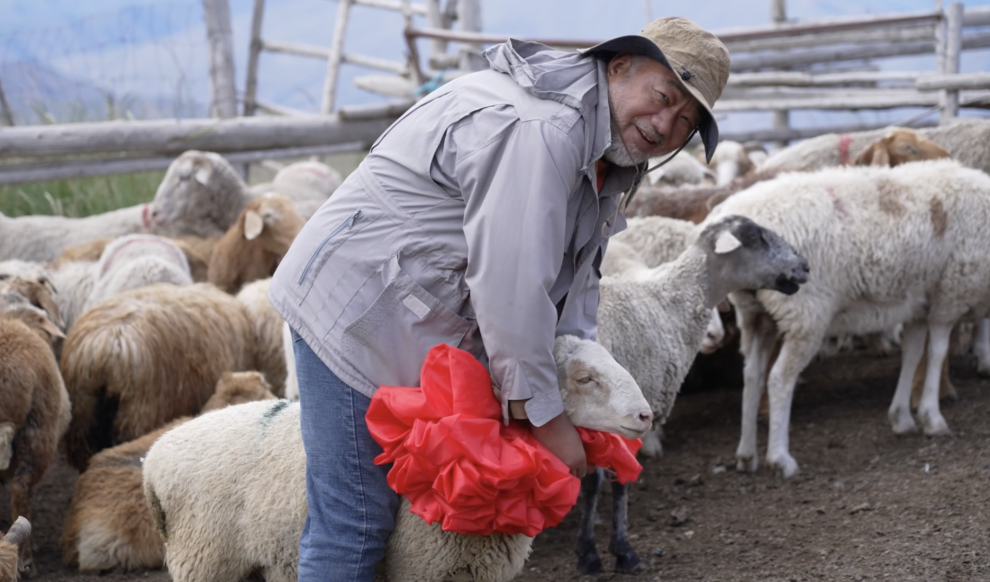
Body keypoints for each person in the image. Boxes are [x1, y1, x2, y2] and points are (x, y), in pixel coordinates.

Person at [268, 16, 730, 581]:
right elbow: (510, 282)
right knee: (356, 522)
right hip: (357, 310)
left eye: (685, 122)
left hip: (420, 315)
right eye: (661, 98)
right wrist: (545, 414)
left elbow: (579, 272)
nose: (663, 125)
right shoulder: (543, 131)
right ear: (618, 67)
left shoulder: (609, 152)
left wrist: (573, 366)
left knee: (417, 522)